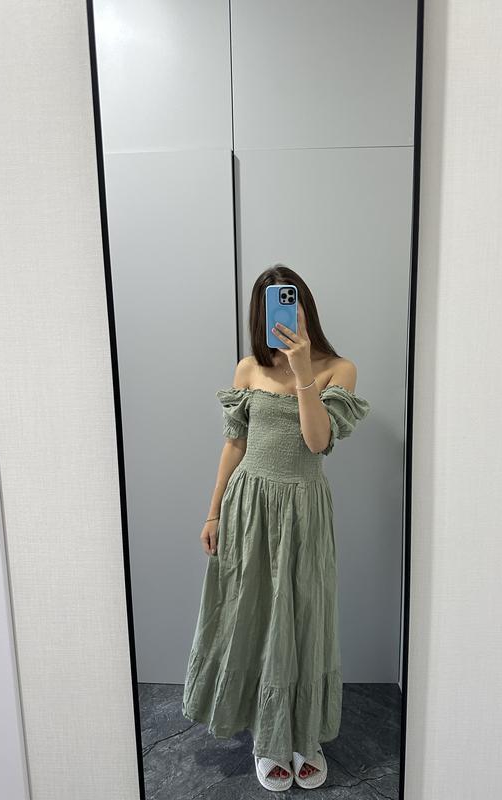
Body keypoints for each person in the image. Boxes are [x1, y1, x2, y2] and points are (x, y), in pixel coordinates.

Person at [181, 266, 370, 791]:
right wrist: (213, 512)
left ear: (305, 306)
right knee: (252, 614)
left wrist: (303, 368)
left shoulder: (340, 369)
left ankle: (304, 734)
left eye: (291, 302)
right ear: (259, 315)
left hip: (303, 511)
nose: (285, 313)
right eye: (271, 304)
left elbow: (317, 442)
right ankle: (267, 738)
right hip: (249, 507)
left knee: (304, 615)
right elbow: (235, 444)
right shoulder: (248, 369)